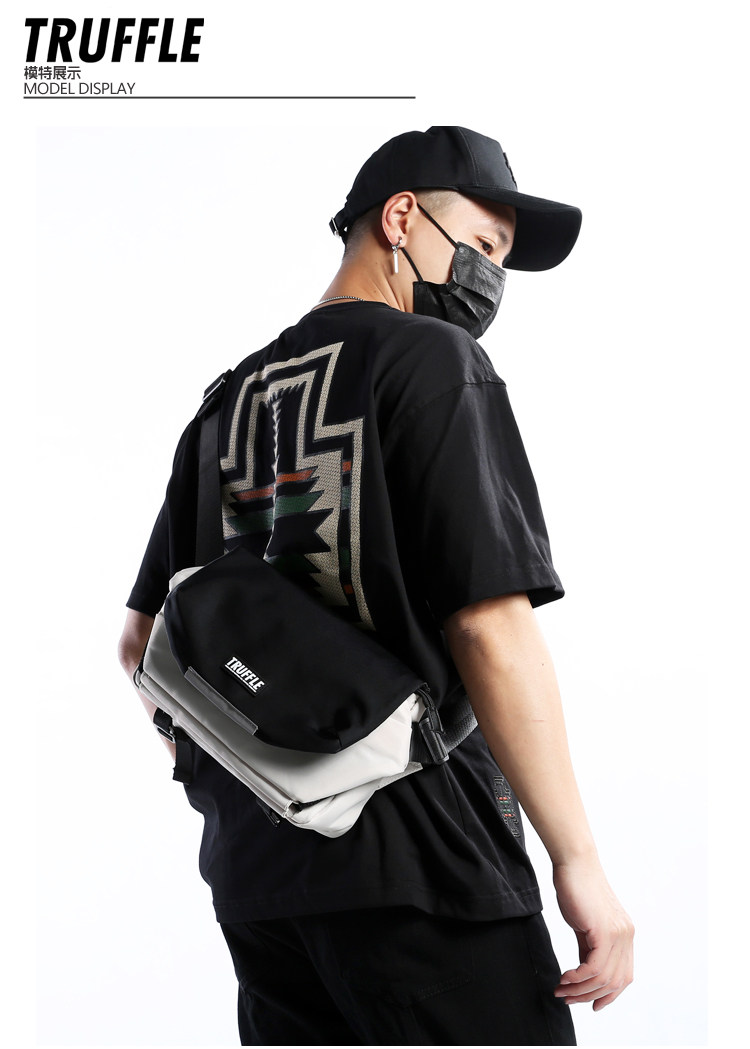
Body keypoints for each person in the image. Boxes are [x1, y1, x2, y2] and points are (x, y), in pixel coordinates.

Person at [118, 125, 634, 1045]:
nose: (490, 278)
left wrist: (261, 772)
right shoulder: (432, 361)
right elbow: (489, 629)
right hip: (425, 862)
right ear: (401, 218)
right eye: (483, 245)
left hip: (259, 881)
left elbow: (142, 642)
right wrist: (580, 860)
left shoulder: (224, 402)